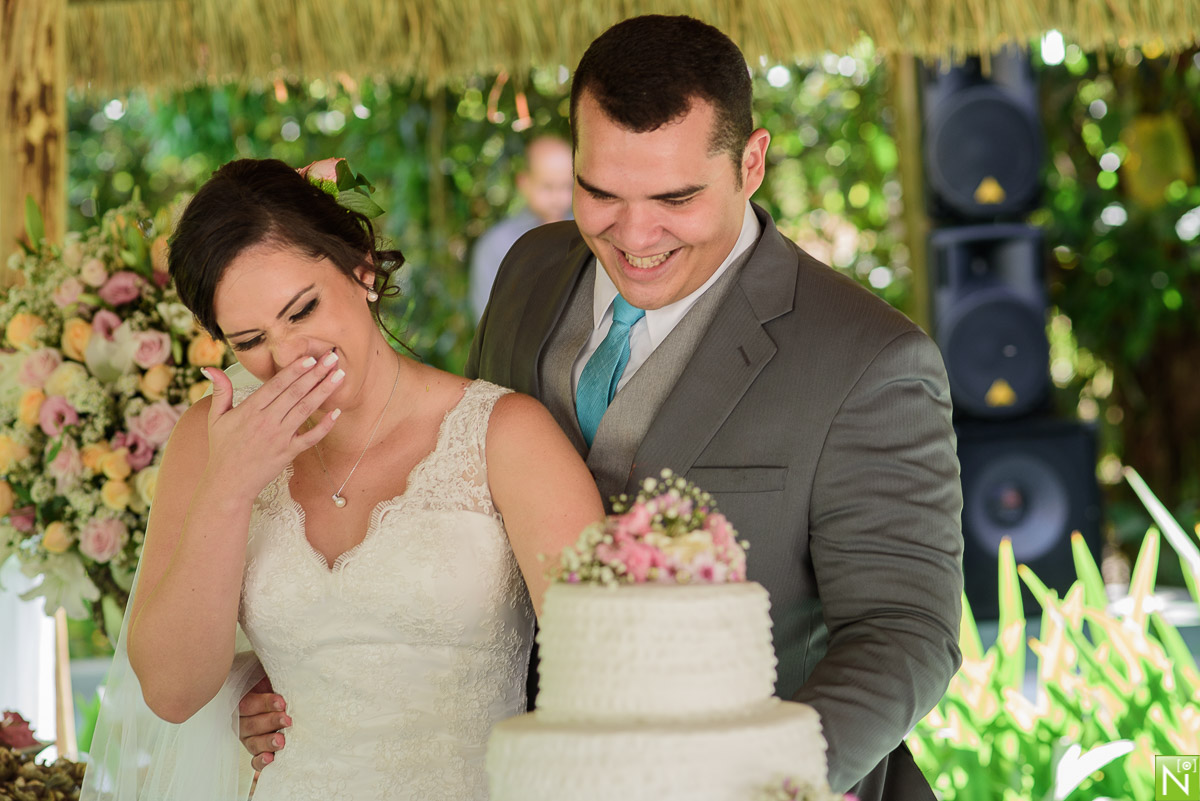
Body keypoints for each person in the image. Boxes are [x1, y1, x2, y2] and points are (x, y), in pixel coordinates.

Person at [467, 16, 964, 801]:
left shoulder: (871, 361)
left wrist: (768, 786)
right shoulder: (529, 271)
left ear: (752, 162)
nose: (634, 235)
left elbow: (905, 631)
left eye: (676, 197)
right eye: (600, 192)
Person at [83, 157, 604, 801]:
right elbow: (170, 693)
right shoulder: (211, 437)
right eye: (249, 341)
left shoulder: (506, 435)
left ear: (361, 268)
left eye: (302, 310)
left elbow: (606, 679)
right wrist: (229, 487)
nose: (288, 357)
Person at [468, 135, 573, 320]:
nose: (559, 198)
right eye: (548, 187)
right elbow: (488, 323)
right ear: (523, 182)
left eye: (567, 186)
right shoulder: (498, 245)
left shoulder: (588, 233)